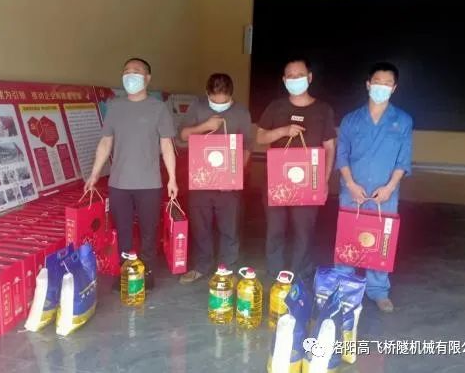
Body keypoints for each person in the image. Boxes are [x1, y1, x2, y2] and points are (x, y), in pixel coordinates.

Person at [85, 57, 178, 291]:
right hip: (119, 183)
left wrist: (172, 179)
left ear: (147, 78)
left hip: (149, 183)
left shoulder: (158, 108)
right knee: (123, 231)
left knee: (149, 230)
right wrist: (94, 174)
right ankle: (126, 272)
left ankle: (147, 272)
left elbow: (167, 145)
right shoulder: (115, 107)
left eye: (136, 71)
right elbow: (105, 143)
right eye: (126, 71)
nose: (130, 75)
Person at [335, 61, 413, 313]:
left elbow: (403, 160)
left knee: (381, 242)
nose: (382, 87)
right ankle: (344, 287)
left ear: (394, 88)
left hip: (385, 193)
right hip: (353, 191)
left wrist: (390, 187)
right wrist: (350, 184)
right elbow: (341, 155)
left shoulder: (403, 121)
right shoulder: (351, 120)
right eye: (377, 82)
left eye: (387, 84)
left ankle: (378, 290)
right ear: (368, 85)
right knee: (348, 239)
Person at [256, 57, 337, 281]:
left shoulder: (323, 110)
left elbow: (329, 147)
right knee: (275, 228)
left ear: (309, 78)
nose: (295, 80)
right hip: (276, 182)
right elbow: (260, 137)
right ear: (284, 80)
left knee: (304, 230)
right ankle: (275, 274)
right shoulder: (276, 107)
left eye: (299, 75)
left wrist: (324, 181)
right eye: (290, 76)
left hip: (308, 182)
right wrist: (283, 131)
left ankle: (299, 273)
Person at [178, 73, 253, 284]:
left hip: (228, 184)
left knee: (229, 227)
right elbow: (181, 136)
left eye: (224, 102)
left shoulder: (241, 112)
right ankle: (202, 266)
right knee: (200, 226)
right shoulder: (198, 107)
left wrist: (235, 174)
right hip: (200, 180)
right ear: (207, 94)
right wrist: (205, 126)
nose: (220, 106)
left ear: (231, 95)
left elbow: (247, 146)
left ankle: (227, 269)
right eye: (215, 102)